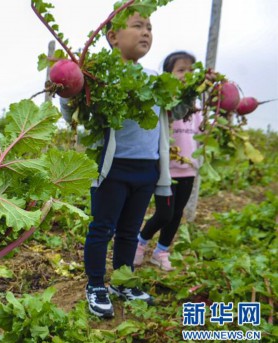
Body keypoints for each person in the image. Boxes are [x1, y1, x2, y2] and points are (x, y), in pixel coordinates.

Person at [61, 12, 186, 318]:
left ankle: (122, 280)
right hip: (111, 168)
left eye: (150, 28)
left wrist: (191, 90)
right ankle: (95, 284)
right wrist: (66, 87)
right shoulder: (98, 76)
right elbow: (72, 112)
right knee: (102, 228)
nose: (146, 32)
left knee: (130, 230)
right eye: (138, 26)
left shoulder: (155, 81)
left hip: (147, 168)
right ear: (113, 37)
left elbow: (178, 112)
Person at [134, 51, 203, 272]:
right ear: (168, 75)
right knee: (164, 213)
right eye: (181, 70)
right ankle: (140, 242)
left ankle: (161, 251)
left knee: (177, 214)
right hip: (166, 168)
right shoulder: (165, 103)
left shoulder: (197, 106)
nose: (186, 74)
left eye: (191, 71)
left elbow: (202, 132)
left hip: (188, 169)